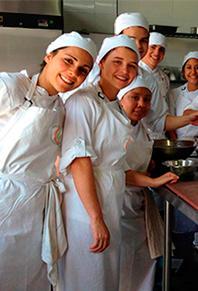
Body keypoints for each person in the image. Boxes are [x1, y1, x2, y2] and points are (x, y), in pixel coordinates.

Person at [0, 32, 96, 290]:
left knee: (29, 279)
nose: (74, 73)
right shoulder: (12, 87)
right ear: (49, 56)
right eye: (68, 61)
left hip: (35, 210)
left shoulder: (60, 106)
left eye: (83, 70)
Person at [56, 35, 141, 291]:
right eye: (117, 62)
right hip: (84, 208)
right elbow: (79, 162)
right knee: (86, 279)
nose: (124, 71)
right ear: (101, 64)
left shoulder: (114, 105)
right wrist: (95, 218)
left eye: (132, 65)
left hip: (109, 201)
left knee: (104, 278)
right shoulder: (84, 101)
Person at [118, 76, 179, 291]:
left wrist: (149, 163)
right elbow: (118, 172)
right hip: (119, 206)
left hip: (138, 205)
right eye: (134, 98)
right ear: (121, 99)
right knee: (123, 263)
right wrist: (152, 181)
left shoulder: (141, 126)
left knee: (144, 262)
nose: (142, 104)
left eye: (147, 99)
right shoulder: (115, 127)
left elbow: (135, 158)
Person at [114, 12, 198, 139]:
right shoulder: (96, 71)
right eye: (131, 39)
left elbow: (158, 121)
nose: (138, 46)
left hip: (139, 143)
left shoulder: (150, 80)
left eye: (143, 41)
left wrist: (187, 119)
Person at [168, 51, 198, 139]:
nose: (193, 72)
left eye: (197, 67)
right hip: (179, 144)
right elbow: (170, 125)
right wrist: (176, 146)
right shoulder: (174, 93)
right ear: (183, 71)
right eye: (189, 67)